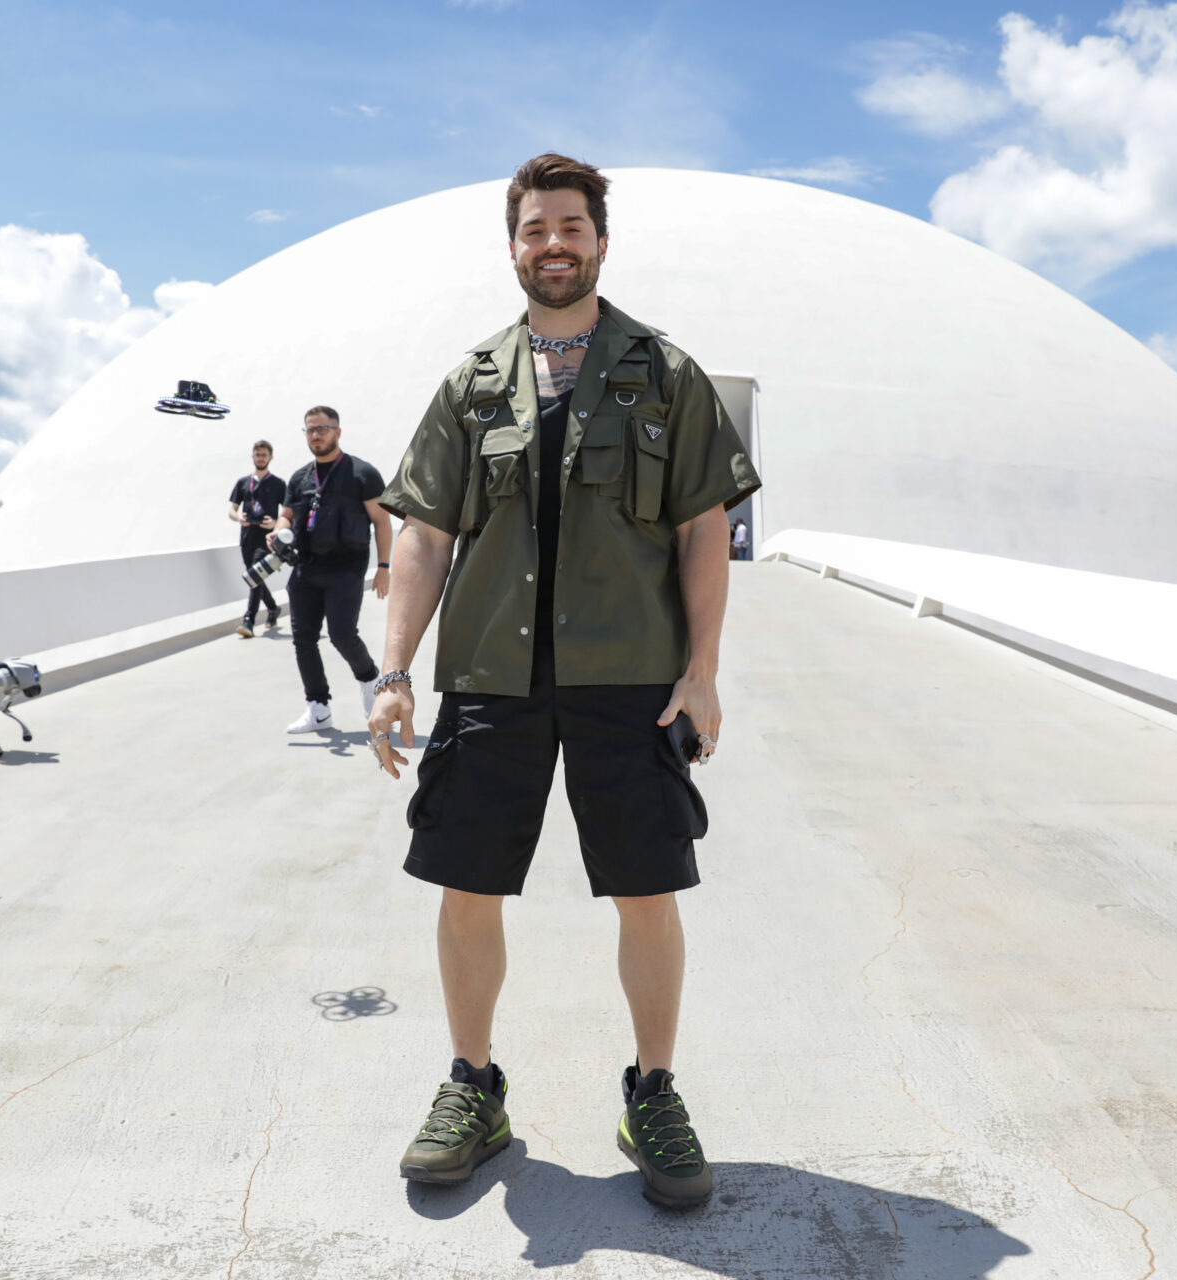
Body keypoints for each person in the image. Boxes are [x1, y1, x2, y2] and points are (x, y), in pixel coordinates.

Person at [369, 154, 759, 1207]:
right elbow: (424, 532)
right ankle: (473, 1086)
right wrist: (395, 669)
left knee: (646, 889)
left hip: (628, 675)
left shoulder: (664, 374)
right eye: (537, 227)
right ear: (514, 244)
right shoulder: (471, 383)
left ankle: (655, 1091)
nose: (555, 243)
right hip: (493, 672)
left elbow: (703, 529)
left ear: (599, 240)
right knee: (467, 885)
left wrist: (704, 669)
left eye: (572, 226)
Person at [274, 406, 392, 733]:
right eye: (310, 429)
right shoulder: (299, 478)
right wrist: (278, 529)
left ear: (337, 432)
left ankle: (370, 682)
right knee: (303, 639)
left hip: (346, 569)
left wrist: (383, 567)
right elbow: (286, 515)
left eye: (323, 428)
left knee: (342, 634)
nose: (316, 435)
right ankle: (318, 708)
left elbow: (382, 521)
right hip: (304, 569)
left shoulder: (362, 474)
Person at [229, 440, 286, 636]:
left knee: (255, 574)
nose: (260, 457)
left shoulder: (278, 484)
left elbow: (289, 513)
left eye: (264, 454)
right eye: (257, 454)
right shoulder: (243, 482)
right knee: (256, 577)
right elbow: (232, 510)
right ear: (252, 456)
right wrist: (238, 518)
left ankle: (248, 621)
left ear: (271, 457)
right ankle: (272, 608)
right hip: (247, 536)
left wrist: (275, 523)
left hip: (267, 537)